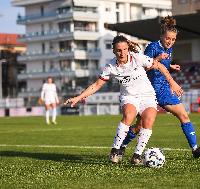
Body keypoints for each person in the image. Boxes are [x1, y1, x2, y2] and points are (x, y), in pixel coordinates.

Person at [64, 35, 183, 165]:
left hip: (147, 95)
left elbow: (159, 66)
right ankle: (115, 151)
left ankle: (137, 155)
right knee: (129, 115)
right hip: (129, 96)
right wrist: (78, 97)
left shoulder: (137, 58)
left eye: (125, 49)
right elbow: (96, 85)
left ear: (128, 49)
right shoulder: (111, 66)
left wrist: (172, 83)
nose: (122, 53)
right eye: (119, 50)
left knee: (148, 121)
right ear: (114, 51)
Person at [120, 16, 200, 158]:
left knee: (184, 115)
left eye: (173, 39)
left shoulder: (169, 48)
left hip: (163, 89)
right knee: (139, 126)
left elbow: (163, 65)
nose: (170, 41)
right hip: (149, 90)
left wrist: (170, 65)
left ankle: (195, 149)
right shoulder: (152, 47)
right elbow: (143, 69)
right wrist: (157, 59)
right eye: (168, 38)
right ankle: (122, 146)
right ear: (162, 36)